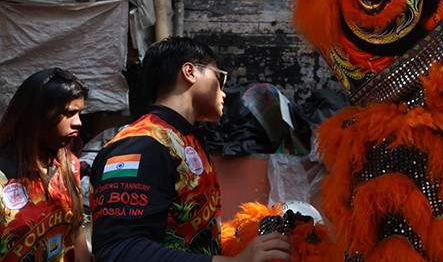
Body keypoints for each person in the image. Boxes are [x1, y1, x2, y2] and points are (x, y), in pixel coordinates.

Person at [89, 36, 292, 261]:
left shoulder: (185, 138)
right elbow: (120, 250)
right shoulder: (141, 144)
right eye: (219, 77)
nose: (224, 92)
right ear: (190, 72)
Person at [0, 67, 91, 262]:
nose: (79, 122)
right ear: (37, 115)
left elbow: (76, 233)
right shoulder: (3, 176)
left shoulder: (70, 166)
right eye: (69, 113)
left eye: (80, 113)